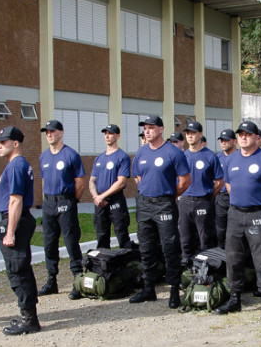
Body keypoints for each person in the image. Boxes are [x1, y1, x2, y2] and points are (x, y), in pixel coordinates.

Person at [215, 121, 261, 321]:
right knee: (233, 257)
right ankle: (235, 299)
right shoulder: (231, 160)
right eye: (240, 134)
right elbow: (229, 185)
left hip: (257, 215)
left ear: (257, 138)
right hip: (235, 214)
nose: (243, 137)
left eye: (247, 134)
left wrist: (260, 203)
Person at [129, 115, 191, 308]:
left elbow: (185, 180)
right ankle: (149, 289)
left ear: (161, 129)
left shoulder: (173, 152)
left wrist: (168, 195)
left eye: (151, 128)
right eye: (145, 128)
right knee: (146, 248)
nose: (147, 131)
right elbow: (137, 177)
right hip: (144, 205)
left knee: (169, 248)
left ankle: (173, 290)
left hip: (165, 204)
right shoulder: (140, 153)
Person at [0, 126, 40, 335]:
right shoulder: (17, 165)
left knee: (17, 270)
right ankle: (27, 315)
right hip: (18, 219)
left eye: (3, 142)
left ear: (16, 143)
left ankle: (29, 319)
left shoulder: (16, 165)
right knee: (21, 268)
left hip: (16, 220)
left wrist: (10, 231)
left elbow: (16, 200)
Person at [37, 120, 86, 298]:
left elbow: (80, 182)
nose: (49, 134)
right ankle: (52, 280)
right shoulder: (44, 157)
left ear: (61, 133)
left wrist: (73, 201)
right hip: (48, 203)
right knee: (49, 243)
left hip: (66, 201)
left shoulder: (71, 155)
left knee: (71, 241)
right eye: (47, 132)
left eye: (52, 131)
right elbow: (44, 180)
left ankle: (77, 280)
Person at [179, 121, 224, 263]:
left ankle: (207, 269)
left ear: (200, 134)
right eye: (188, 133)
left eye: (193, 133)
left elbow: (219, 181)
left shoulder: (210, 156)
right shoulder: (182, 156)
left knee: (206, 238)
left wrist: (209, 197)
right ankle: (187, 267)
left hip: (203, 201)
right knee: (185, 238)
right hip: (185, 201)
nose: (190, 136)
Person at [89, 124, 133, 255]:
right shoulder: (99, 158)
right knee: (101, 235)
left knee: (121, 234)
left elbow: (121, 182)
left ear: (117, 136)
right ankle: (104, 265)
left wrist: (103, 196)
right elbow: (92, 180)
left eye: (111, 133)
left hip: (115, 200)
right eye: (105, 133)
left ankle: (128, 265)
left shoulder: (122, 156)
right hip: (99, 202)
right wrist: (96, 197)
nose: (107, 136)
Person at [214, 129, 237, 249]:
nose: (223, 143)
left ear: (234, 141)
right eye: (221, 140)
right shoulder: (218, 158)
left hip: (236, 198)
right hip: (221, 198)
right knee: (220, 228)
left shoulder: (240, 156)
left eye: (226, 140)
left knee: (236, 229)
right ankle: (221, 253)